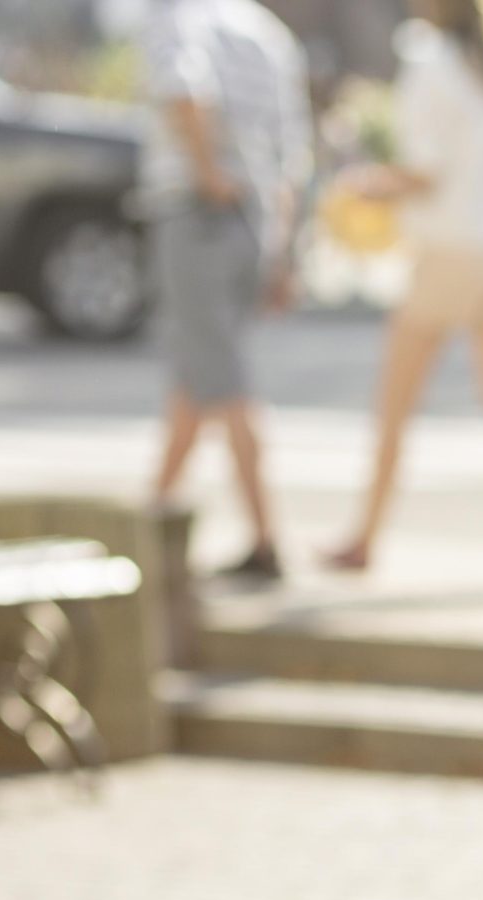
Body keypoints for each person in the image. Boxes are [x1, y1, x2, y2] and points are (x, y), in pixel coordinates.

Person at [320, 0, 483, 587]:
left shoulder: (429, 59)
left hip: (449, 251)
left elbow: (426, 171)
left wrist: (367, 186)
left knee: (396, 404)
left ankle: (365, 538)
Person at [142, 0, 313, 582]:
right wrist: (282, 245)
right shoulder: (266, 32)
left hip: (199, 213)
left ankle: (266, 540)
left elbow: (183, 91)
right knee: (199, 372)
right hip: (253, 221)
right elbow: (292, 150)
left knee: (224, 378)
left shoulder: (177, 16)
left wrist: (209, 173)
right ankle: (151, 517)